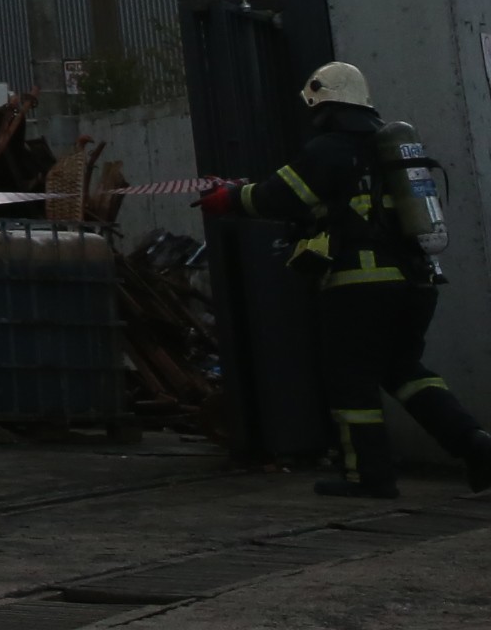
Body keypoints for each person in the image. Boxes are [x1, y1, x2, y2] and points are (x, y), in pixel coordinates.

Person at [204, 60, 491, 497]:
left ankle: (369, 476)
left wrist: (228, 198)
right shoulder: (390, 148)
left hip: (360, 287)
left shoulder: (328, 150)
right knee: (406, 371)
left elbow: (277, 196)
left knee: (351, 379)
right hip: (417, 284)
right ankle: (474, 443)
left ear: (322, 104)